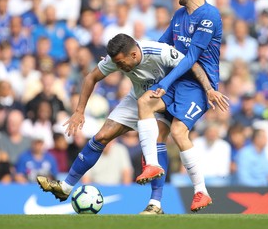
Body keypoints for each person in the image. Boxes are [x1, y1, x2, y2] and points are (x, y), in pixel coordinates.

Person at [37, 34, 226, 213]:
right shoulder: (116, 59)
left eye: (121, 63)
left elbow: (191, 63)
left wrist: (209, 89)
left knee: (158, 138)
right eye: (116, 63)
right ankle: (66, 187)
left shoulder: (159, 52)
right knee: (102, 136)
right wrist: (79, 111)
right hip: (137, 97)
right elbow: (90, 77)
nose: (118, 66)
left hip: (165, 97)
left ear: (134, 54)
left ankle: (155, 203)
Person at [135, 0, 228, 213]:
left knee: (178, 131)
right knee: (145, 104)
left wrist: (164, 84)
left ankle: (201, 191)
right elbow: (162, 45)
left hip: (198, 85)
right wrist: (132, 54)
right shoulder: (179, 15)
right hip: (176, 81)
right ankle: (154, 184)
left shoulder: (210, 16)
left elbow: (190, 58)